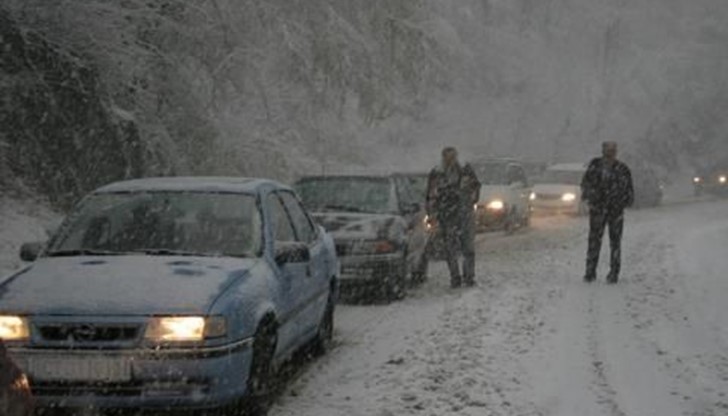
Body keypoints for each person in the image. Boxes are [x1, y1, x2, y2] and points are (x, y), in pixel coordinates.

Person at [422, 147, 481, 288]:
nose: (450, 160)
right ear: (443, 158)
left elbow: (476, 187)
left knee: (468, 248)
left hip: (464, 213)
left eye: (452, 157)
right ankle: (455, 277)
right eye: (447, 157)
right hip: (447, 216)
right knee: (450, 249)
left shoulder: (465, 170)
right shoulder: (437, 173)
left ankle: (469, 277)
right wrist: (433, 213)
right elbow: (430, 195)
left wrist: (470, 200)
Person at [581, 141, 634, 284]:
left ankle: (614, 273)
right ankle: (590, 272)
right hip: (598, 210)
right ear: (603, 151)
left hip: (615, 211)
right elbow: (586, 184)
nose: (610, 152)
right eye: (607, 150)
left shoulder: (622, 169)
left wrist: (620, 202)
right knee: (594, 241)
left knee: (615, 242)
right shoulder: (595, 166)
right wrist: (592, 198)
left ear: (615, 152)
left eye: (612, 150)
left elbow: (629, 191)